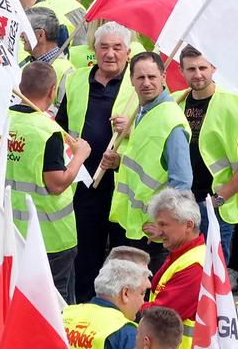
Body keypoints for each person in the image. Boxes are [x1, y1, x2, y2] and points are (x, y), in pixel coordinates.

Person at [59, 24, 138, 301]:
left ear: (128, 52)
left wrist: (132, 128)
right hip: (83, 185)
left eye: (117, 48)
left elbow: (157, 132)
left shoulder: (138, 83)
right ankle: (82, 310)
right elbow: (62, 128)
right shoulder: (76, 80)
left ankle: (120, 312)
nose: (110, 54)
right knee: (84, 256)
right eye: (104, 47)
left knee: (121, 258)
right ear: (94, 50)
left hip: (121, 187)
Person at [7, 60, 91, 298]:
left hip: (12, 230)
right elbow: (57, 183)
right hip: (51, 236)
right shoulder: (48, 131)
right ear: (52, 91)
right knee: (57, 302)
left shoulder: (3, 121)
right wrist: (80, 156)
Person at [102, 52, 191, 250]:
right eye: (140, 77)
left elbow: (182, 182)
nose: (147, 83)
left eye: (152, 77)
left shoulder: (170, 120)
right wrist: (119, 162)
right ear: (131, 80)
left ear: (163, 77)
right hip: (136, 224)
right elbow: (147, 161)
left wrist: (165, 226)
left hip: (154, 232)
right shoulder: (146, 112)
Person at [175, 47, 238, 255]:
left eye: (203, 68)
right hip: (182, 201)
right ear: (181, 71)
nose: (198, 74)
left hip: (214, 205)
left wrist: (217, 200)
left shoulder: (232, 104)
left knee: (214, 275)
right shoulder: (175, 101)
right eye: (191, 69)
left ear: (213, 67)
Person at [143, 190, 204, 343]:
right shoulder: (183, 254)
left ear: (188, 225)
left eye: (164, 224)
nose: (159, 231)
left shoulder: (195, 266)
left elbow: (161, 317)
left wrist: (124, 304)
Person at [61, 256, 148, 349]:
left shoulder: (64, 314)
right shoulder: (127, 333)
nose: (143, 302)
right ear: (125, 293)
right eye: (141, 294)